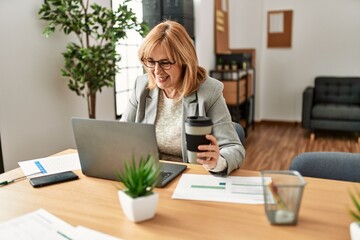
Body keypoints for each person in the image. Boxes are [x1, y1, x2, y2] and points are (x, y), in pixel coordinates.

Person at [121, 20, 245, 176]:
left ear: (184, 61)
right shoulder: (142, 85)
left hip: (191, 177)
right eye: (151, 61)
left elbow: (234, 147)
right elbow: (122, 134)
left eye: (165, 62)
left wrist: (218, 161)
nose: (157, 71)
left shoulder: (209, 91)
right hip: (149, 174)